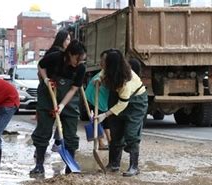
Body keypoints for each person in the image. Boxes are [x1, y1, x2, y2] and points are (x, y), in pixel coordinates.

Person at [30, 40, 86, 176]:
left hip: (69, 100)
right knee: (43, 131)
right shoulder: (55, 57)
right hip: (48, 95)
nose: (78, 62)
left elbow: (73, 89)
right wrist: (45, 80)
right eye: (76, 59)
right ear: (69, 54)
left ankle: (70, 167)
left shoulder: (80, 68)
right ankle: (39, 165)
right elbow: (41, 65)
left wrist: (61, 105)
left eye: (81, 60)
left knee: (71, 135)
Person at [95, 49, 148, 177]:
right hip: (117, 98)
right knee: (115, 132)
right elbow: (104, 72)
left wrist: (105, 114)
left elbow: (123, 103)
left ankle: (134, 167)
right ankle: (114, 164)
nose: (104, 65)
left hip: (135, 102)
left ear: (113, 65)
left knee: (131, 133)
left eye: (106, 63)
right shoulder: (111, 69)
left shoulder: (126, 80)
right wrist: (99, 78)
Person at [45, 29, 71, 152]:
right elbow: (43, 67)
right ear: (62, 40)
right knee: (55, 116)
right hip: (54, 88)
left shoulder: (55, 52)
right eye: (67, 39)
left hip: (55, 87)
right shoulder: (57, 54)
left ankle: (56, 141)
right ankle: (55, 142)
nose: (69, 42)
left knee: (56, 115)